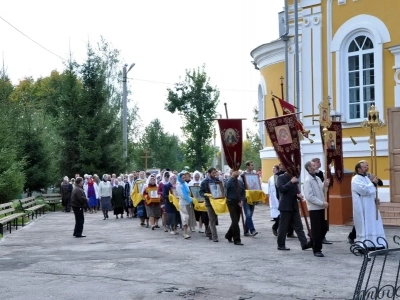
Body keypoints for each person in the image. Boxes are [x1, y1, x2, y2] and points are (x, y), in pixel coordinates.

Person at [276, 163, 312, 251]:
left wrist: (297, 195)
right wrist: (291, 182)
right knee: (283, 227)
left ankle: (304, 244)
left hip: (294, 205)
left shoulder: (294, 177)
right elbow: (282, 189)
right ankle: (281, 244)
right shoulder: (281, 177)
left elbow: (293, 191)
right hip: (285, 206)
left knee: (299, 226)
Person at [351, 161, 386, 249]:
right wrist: (373, 183)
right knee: (365, 224)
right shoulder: (356, 179)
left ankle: (375, 243)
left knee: (373, 224)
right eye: (364, 167)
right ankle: (364, 244)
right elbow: (364, 190)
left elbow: (372, 190)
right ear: (359, 169)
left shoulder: (366, 177)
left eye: (366, 166)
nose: (366, 168)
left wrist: (375, 198)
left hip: (371, 205)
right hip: (363, 205)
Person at [303, 161, 330, 257]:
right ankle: (317, 249)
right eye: (314, 165)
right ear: (309, 168)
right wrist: (321, 203)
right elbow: (309, 196)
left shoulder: (317, 178)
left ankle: (311, 243)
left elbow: (320, 189)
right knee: (316, 230)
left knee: (324, 227)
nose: (316, 166)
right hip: (314, 208)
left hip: (322, 207)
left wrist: (324, 184)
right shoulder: (307, 181)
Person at [311, 158, 332, 245]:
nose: (319, 163)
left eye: (320, 162)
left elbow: (321, 186)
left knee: (324, 222)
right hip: (315, 201)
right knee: (317, 223)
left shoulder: (320, 173)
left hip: (322, 198)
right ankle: (315, 239)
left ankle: (321, 236)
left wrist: (325, 184)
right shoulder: (310, 177)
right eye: (317, 162)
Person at [224, 170, 245, 245]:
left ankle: (228, 235)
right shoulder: (228, 181)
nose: (237, 173)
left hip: (238, 203)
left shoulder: (240, 182)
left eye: (238, 171)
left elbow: (243, 193)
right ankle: (237, 239)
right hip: (231, 202)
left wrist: (242, 201)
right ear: (231, 172)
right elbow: (226, 188)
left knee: (236, 220)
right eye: (235, 171)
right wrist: (232, 177)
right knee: (235, 220)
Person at [200, 167, 220, 242]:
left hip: (216, 202)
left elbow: (220, 189)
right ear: (209, 173)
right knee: (211, 219)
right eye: (213, 173)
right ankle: (214, 236)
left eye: (215, 173)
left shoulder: (217, 180)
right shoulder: (204, 182)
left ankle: (208, 232)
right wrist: (206, 194)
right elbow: (201, 192)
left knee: (214, 218)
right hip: (209, 203)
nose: (214, 174)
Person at [241, 161, 258, 237]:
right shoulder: (242, 175)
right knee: (248, 214)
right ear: (247, 166)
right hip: (246, 197)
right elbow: (241, 186)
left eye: (253, 165)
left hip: (253, 197)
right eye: (251, 165)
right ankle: (252, 230)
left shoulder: (254, 175)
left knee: (250, 215)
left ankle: (245, 231)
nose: (252, 166)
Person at [176, 172, 196, 239]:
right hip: (183, 204)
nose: (184, 179)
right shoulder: (178, 185)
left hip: (188, 203)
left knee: (188, 219)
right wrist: (190, 199)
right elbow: (182, 195)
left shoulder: (186, 184)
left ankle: (186, 231)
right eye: (182, 178)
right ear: (179, 178)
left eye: (184, 178)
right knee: (185, 218)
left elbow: (189, 192)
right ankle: (185, 233)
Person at [268, 165, 280, 236]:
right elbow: (269, 188)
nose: (273, 170)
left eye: (274, 168)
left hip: (279, 197)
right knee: (277, 213)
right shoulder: (271, 178)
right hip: (273, 197)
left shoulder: (279, 176)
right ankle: (275, 227)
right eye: (272, 168)